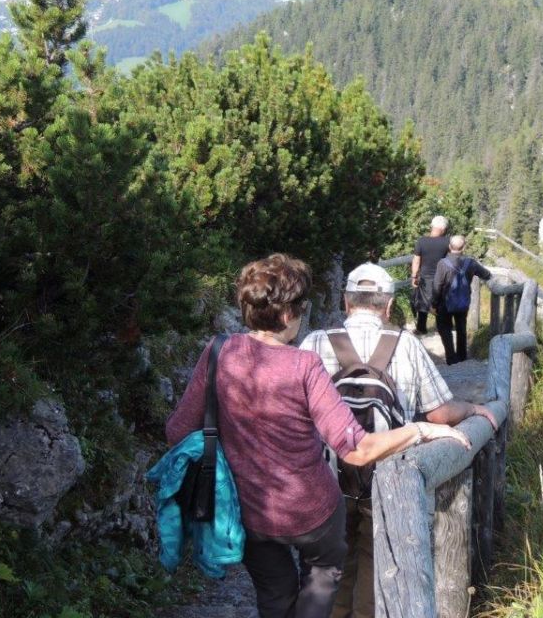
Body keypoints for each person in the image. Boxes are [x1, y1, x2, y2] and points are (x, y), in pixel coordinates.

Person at [166, 254, 471, 618]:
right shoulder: (302, 365)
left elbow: (177, 432)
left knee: (275, 594)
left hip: (249, 509)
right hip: (312, 512)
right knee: (324, 572)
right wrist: (421, 429)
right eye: (301, 306)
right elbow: (356, 449)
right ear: (285, 315)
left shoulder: (217, 352)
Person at [300, 262, 497, 618]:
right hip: (386, 477)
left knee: (328, 568)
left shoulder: (314, 342)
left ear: (346, 301)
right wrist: (471, 409)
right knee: (376, 563)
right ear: (388, 306)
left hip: (325, 478)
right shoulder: (405, 344)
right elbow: (439, 413)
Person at [432, 235, 492, 365]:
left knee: (445, 329)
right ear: (464, 247)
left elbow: (437, 285)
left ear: (449, 247)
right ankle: (462, 356)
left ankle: (451, 358)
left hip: (444, 303)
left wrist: (434, 303)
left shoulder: (442, 264)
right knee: (461, 328)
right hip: (463, 302)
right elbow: (486, 274)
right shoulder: (471, 262)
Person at [410, 215, 450, 335]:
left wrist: (414, 276)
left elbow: (416, 260)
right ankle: (442, 328)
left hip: (425, 276)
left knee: (423, 303)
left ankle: (421, 328)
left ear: (432, 226)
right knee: (440, 302)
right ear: (443, 229)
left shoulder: (421, 241)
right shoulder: (448, 241)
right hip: (442, 276)